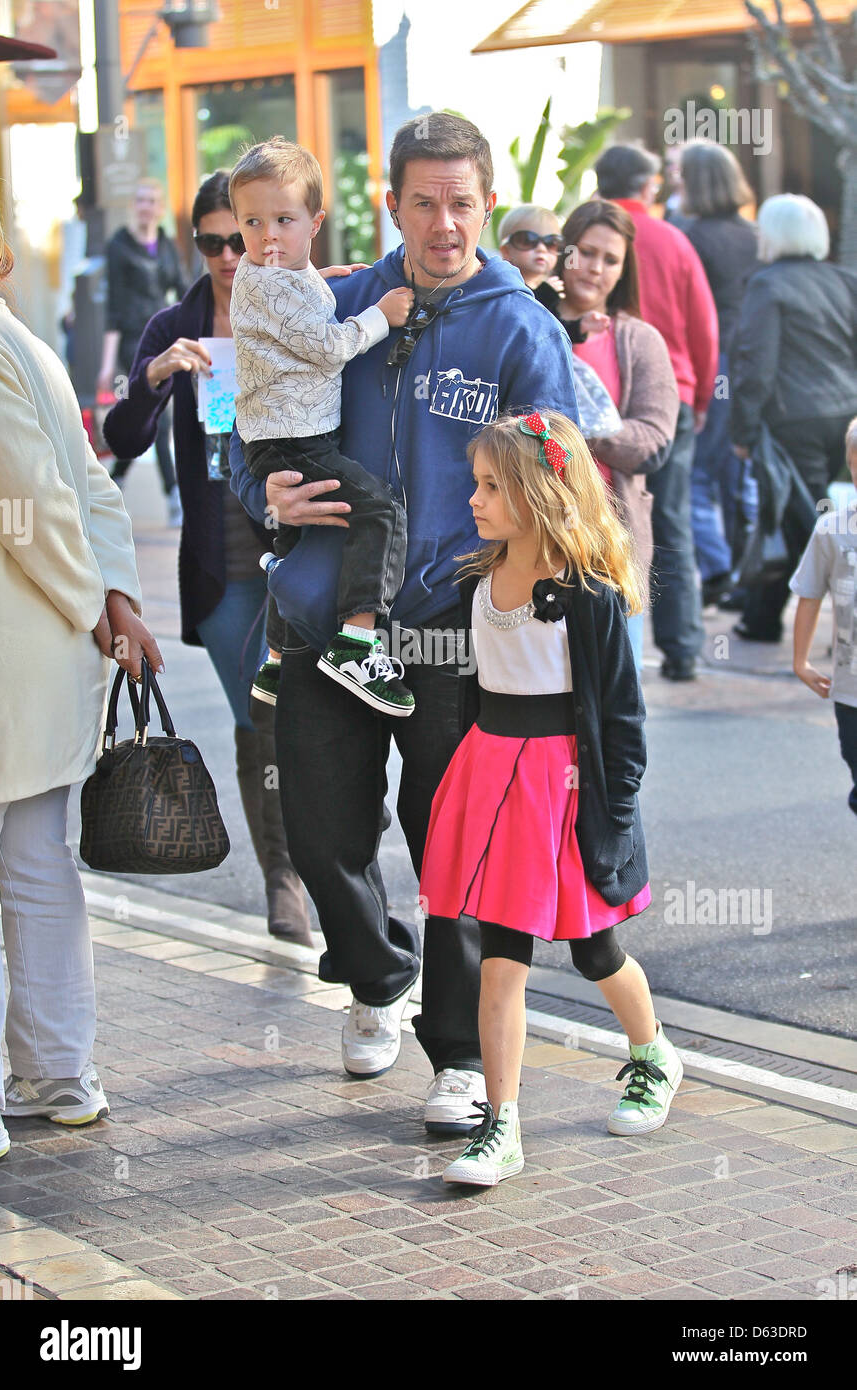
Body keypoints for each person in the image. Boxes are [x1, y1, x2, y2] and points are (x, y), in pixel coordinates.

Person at [229, 112, 579, 1136]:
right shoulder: (333, 301)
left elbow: (563, 485)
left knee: (455, 850)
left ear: (485, 202)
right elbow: (247, 421)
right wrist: (265, 499)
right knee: (320, 831)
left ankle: (461, 1054)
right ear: (392, 204)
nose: (443, 223)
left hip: (453, 634)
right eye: (423, 201)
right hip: (327, 627)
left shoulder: (520, 327)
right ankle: (376, 976)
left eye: (462, 202)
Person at [417, 411, 682, 1186]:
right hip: (491, 773)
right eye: (475, 483)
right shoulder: (476, 579)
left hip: (561, 787)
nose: (475, 498)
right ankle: (501, 1127)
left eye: (492, 486)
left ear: (539, 492)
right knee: (500, 957)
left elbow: (622, 717)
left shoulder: (588, 594)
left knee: (595, 949)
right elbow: (473, 690)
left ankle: (653, 1053)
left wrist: (614, 811)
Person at [0, 187, 160, 1161]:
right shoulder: (32, 345)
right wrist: (113, 598)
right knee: (42, 871)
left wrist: (95, 600)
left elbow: (31, 501)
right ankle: (62, 1079)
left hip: (12, 648)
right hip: (46, 656)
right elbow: (90, 486)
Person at [103, 170, 312, 946]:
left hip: (301, 549)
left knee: (307, 718)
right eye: (214, 241)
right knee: (257, 720)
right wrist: (154, 378)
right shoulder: (172, 325)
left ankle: (323, 863)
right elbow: (121, 441)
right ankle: (283, 881)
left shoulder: (302, 305)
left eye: (243, 235)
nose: (232, 254)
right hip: (220, 563)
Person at [229, 137, 416, 716]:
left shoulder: (271, 274)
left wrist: (317, 279)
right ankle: (357, 641)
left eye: (283, 221)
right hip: (294, 439)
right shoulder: (273, 279)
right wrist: (379, 315)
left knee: (294, 543)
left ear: (314, 224)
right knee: (380, 510)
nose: (267, 238)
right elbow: (329, 345)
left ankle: (277, 661)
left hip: (276, 438)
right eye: (252, 223)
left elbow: (290, 293)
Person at [595, 143, 719, 681]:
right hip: (673, 403)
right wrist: (702, 397)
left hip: (606, 396)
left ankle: (617, 642)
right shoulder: (674, 239)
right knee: (670, 519)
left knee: (612, 518)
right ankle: (684, 646)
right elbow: (704, 326)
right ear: (648, 186)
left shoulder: (589, 239)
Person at [547, 198, 680, 671]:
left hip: (611, 546)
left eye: (611, 259)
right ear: (563, 251)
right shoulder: (530, 322)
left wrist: (576, 430)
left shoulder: (640, 340)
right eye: (585, 252)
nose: (595, 268)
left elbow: (653, 441)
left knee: (616, 704)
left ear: (625, 271)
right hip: (534, 537)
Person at [730, 194, 857, 644]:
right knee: (795, 515)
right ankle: (761, 616)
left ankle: (791, 616)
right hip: (844, 416)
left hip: (792, 420)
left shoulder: (766, 285)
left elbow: (754, 365)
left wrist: (742, 431)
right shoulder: (845, 280)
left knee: (807, 521)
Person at [678, 141, 759, 608]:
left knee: (699, 475)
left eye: (682, 177)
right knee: (739, 475)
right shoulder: (754, 234)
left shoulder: (691, 235)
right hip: (753, 365)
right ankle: (751, 572)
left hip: (714, 363)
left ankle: (719, 569)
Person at [97, 178, 187, 526]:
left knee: (140, 417)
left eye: (152, 200)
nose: (146, 206)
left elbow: (181, 292)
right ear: (133, 206)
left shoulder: (165, 245)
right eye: (140, 200)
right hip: (134, 343)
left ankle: (115, 476)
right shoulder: (119, 246)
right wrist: (108, 363)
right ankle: (173, 495)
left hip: (163, 339)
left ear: (160, 207)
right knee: (159, 418)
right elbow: (114, 309)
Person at [790, 418, 857, 816]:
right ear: (850, 463)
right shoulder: (833, 529)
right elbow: (810, 592)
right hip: (850, 691)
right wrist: (801, 661)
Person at [497, 203, 564, 303]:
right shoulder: (503, 285)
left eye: (551, 242)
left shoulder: (554, 287)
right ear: (506, 251)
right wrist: (546, 293)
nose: (542, 248)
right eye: (527, 240)